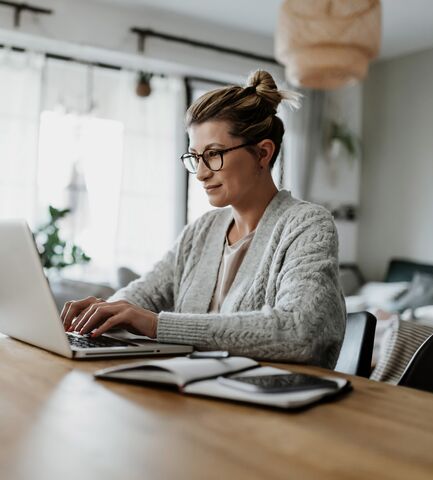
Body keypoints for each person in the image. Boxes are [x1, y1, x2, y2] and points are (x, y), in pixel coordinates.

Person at [61, 70, 346, 367]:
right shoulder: (202, 230)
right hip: (197, 392)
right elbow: (144, 294)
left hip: (275, 402)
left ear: (262, 153)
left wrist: (159, 326)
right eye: (195, 157)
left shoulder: (307, 225)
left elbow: (299, 331)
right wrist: (105, 313)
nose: (200, 173)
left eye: (213, 154)